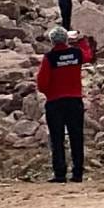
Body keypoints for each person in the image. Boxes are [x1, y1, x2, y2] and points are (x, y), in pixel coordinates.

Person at [36, 27, 95, 183]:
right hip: (74, 100)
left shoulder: (50, 57)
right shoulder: (76, 53)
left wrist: (50, 93)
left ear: (52, 41)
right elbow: (88, 56)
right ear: (67, 39)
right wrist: (82, 41)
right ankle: (77, 173)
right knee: (76, 137)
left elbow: (42, 84)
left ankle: (60, 173)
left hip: (55, 102)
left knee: (57, 138)